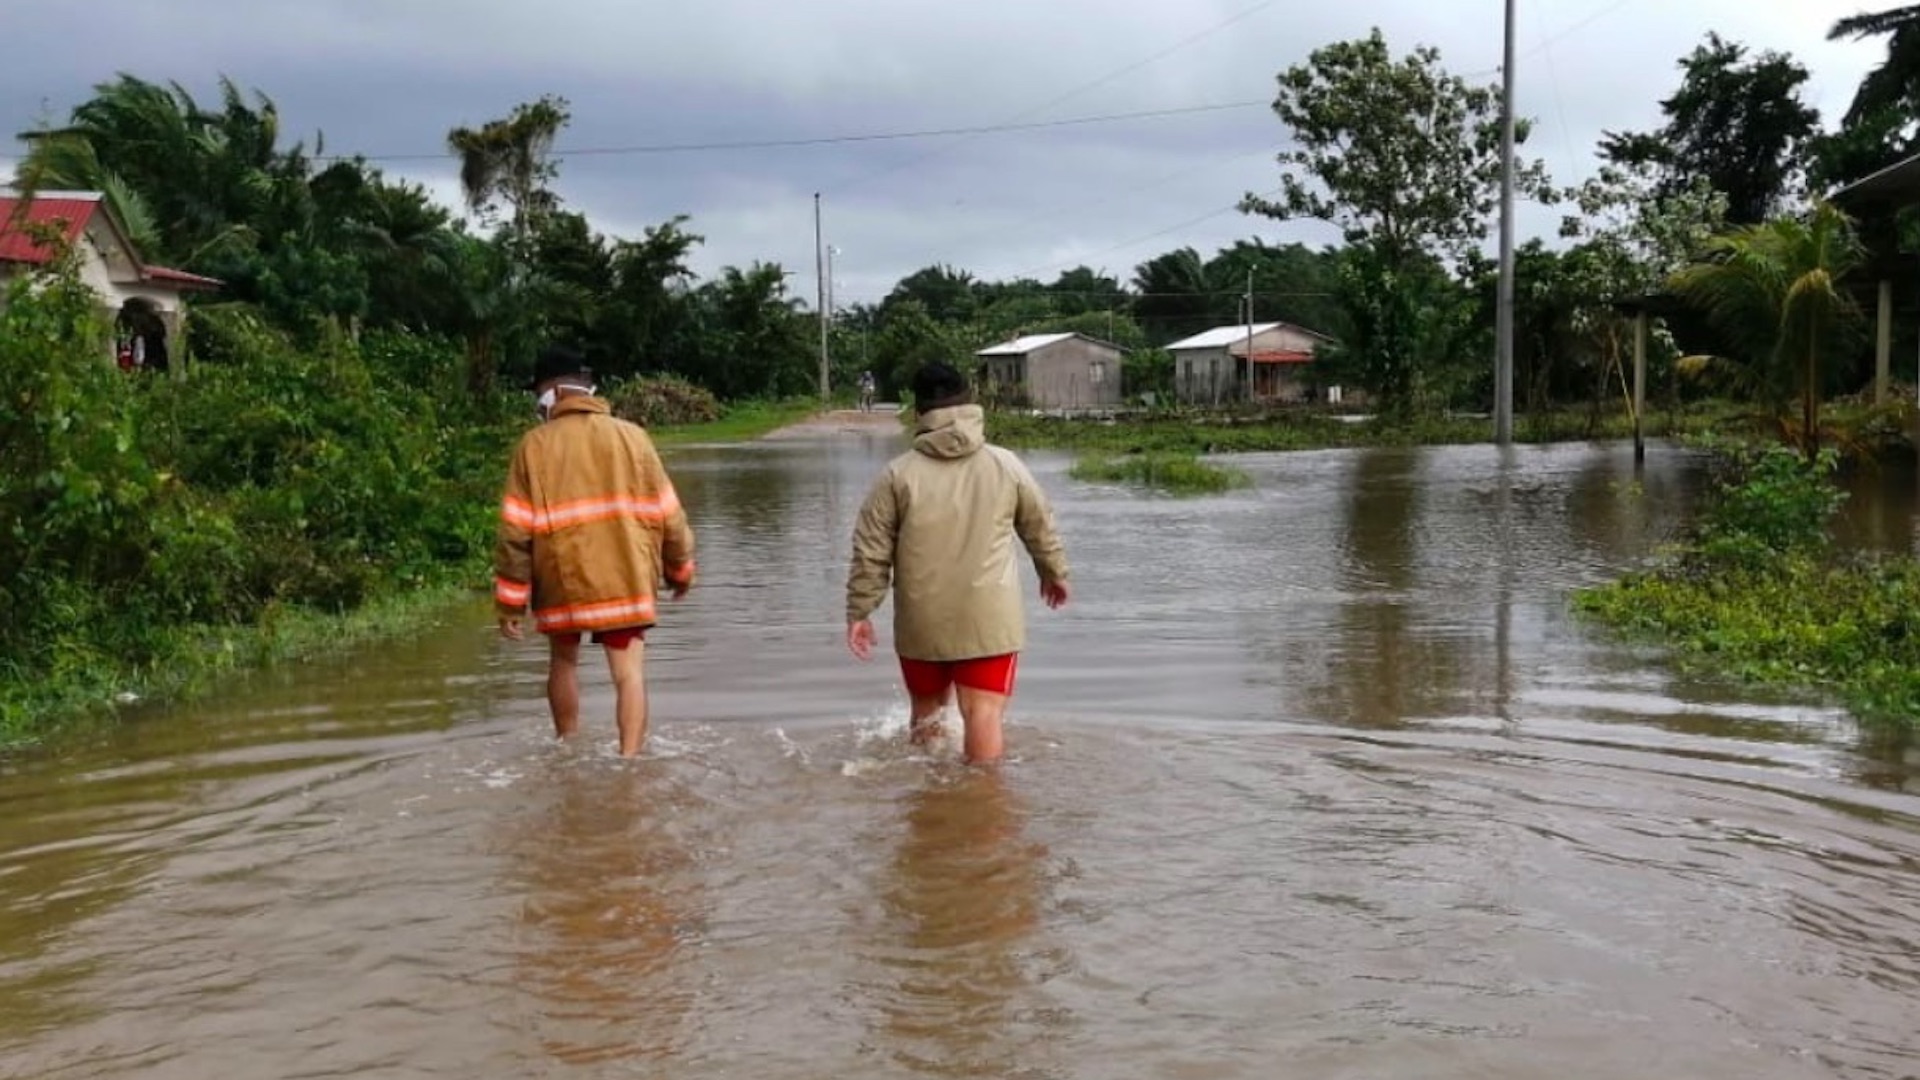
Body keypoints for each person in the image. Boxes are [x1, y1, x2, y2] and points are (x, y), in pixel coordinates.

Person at [845, 361, 1070, 765]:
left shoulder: (896, 475)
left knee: (926, 716)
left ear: (918, 413)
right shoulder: (1006, 464)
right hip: (989, 615)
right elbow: (1040, 524)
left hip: (921, 617)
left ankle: (933, 805)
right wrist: (1053, 572)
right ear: (971, 404)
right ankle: (981, 809)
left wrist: (860, 610)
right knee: (982, 713)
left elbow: (870, 549)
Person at [494, 344, 696, 757]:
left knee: (563, 663)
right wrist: (680, 570)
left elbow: (515, 533)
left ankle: (568, 750)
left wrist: (511, 602)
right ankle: (629, 762)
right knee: (629, 675)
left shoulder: (533, 446)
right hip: (626, 576)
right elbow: (669, 516)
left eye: (537, 393)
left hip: (562, 580)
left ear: (552, 392)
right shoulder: (634, 438)